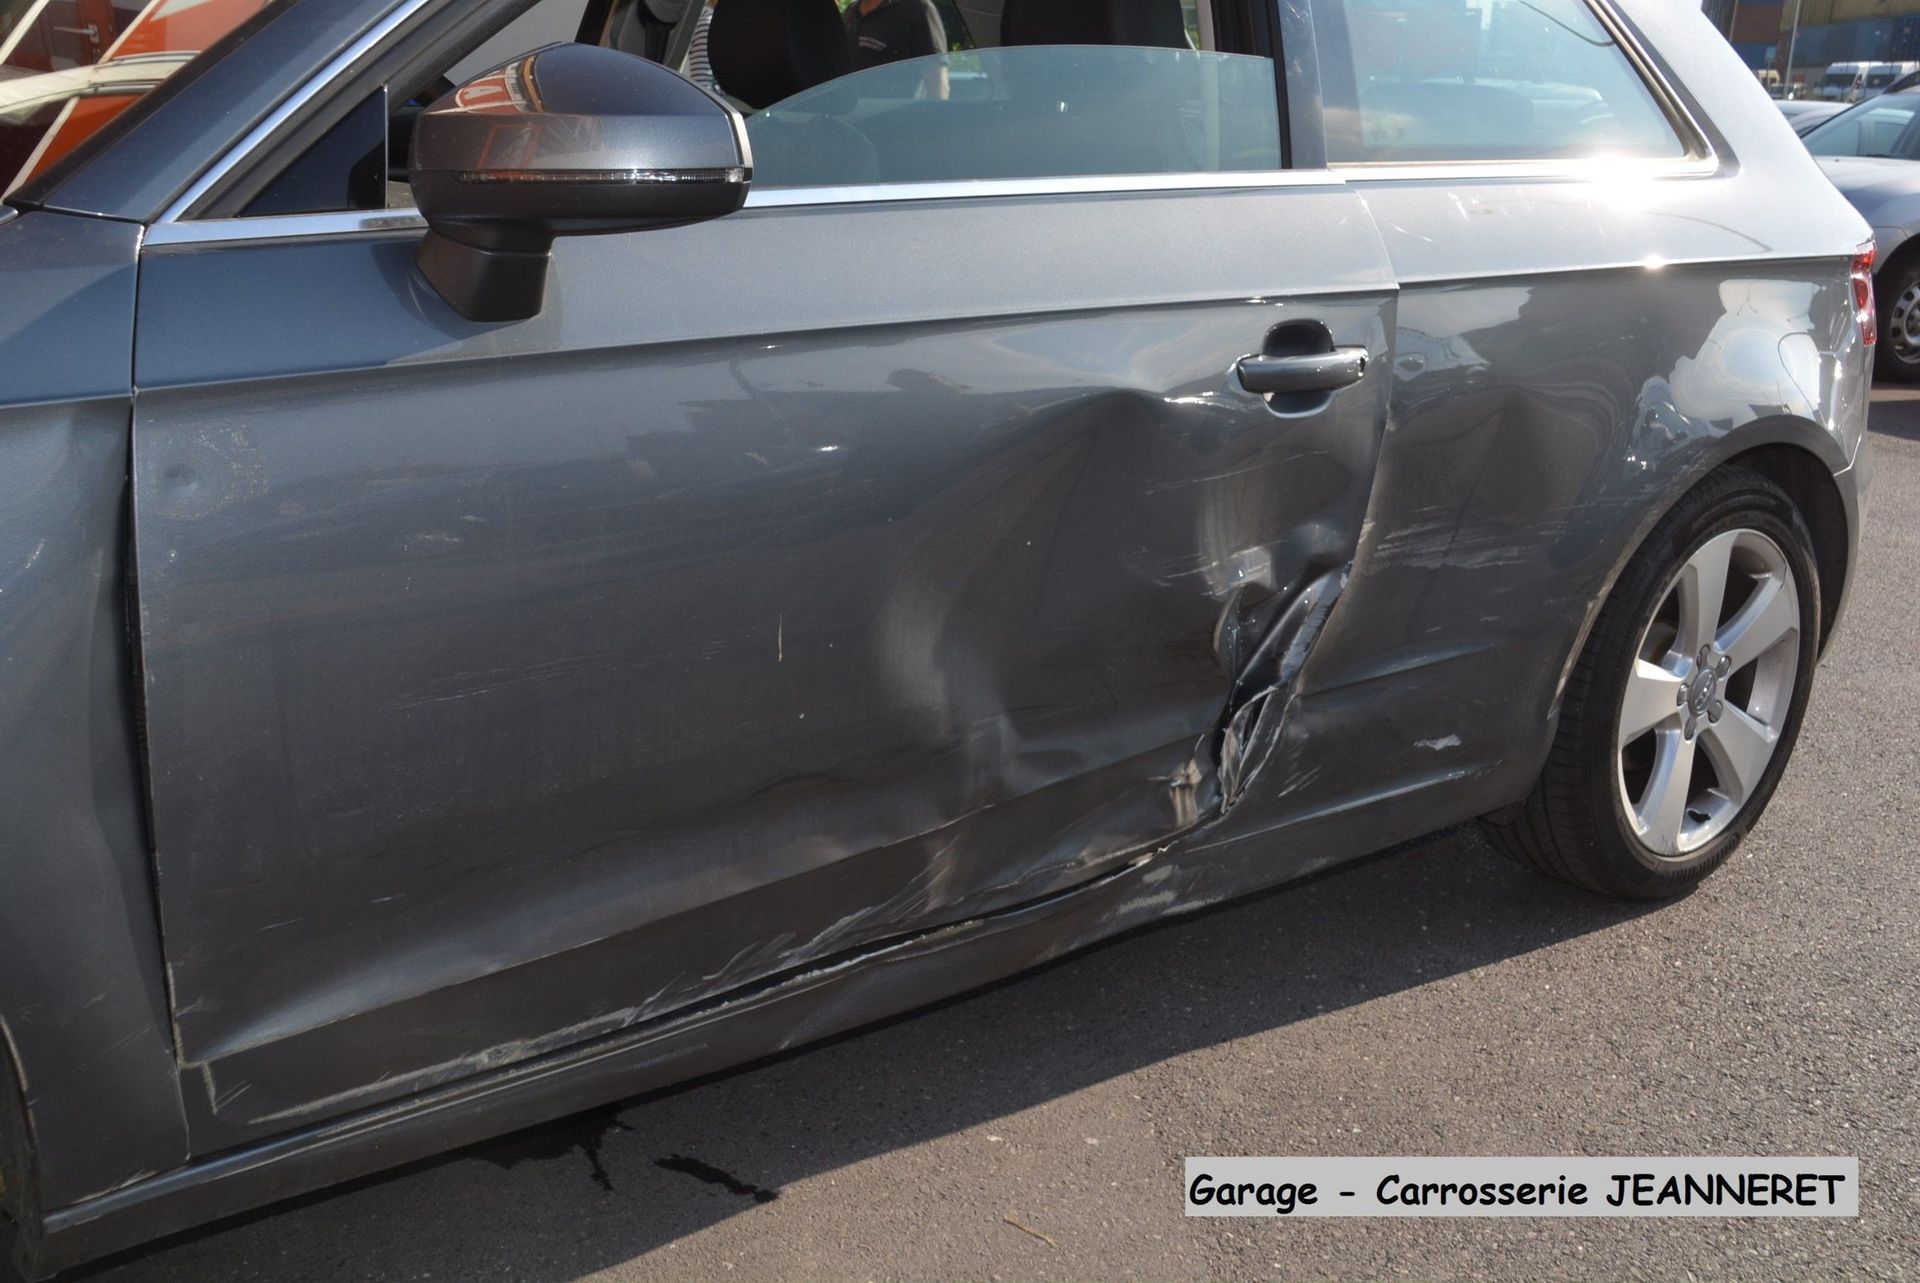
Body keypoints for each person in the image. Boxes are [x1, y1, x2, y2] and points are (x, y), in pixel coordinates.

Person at [843, 0, 948, 99]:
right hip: (851, 115)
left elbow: (938, 88)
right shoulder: (851, 12)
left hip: (898, 114)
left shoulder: (917, 8)